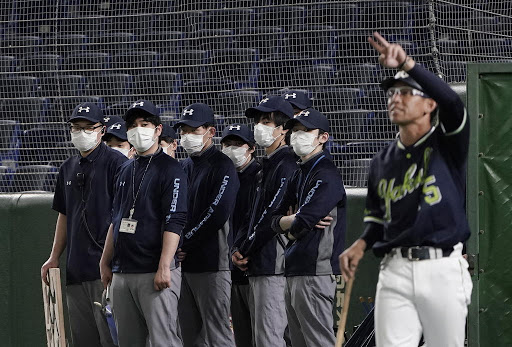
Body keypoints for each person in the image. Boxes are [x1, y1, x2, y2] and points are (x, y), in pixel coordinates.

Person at [339, 32, 472, 347]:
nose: (395, 99)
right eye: (392, 93)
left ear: (429, 104)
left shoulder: (447, 142)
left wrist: (408, 64)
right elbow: (375, 217)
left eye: (405, 93)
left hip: (442, 266)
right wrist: (360, 244)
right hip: (394, 267)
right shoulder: (382, 160)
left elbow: (453, 101)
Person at [99, 99, 188, 347]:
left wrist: (164, 265)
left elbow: (175, 220)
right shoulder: (125, 170)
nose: (139, 129)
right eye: (133, 125)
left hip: (154, 271)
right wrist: (105, 261)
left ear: (158, 130)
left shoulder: (172, 170)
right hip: (123, 271)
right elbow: (115, 219)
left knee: (163, 341)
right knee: (127, 341)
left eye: (145, 123)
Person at [41, 102, 127, 347]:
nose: (82, 133)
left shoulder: (116, 163)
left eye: (89, 127)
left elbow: (121, 214)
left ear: (102, 130)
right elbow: (64, 214)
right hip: (76, 269)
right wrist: (54, 256)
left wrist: (113, 259)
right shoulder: (67, 168)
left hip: (106, 268)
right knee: (83, 339)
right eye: (77, 127)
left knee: (111, 337)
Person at [271, 108, 346, 347]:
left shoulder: (326, 172)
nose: (297, 135)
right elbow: (273, 220)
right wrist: (291, 220)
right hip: (295, 268)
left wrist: (292, 221)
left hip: (315, 270)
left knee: (318, 342)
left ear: (323, 137)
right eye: (295, 130)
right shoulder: (299, 172)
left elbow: (303, 220)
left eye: (305, 130)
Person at [232, 95, 297, 347]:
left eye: (268, 121)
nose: (261, 126)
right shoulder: (267, 165)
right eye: (259, 120)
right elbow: (252, 213)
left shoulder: (288, 163)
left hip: (274, 263)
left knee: (270, 339)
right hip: (257, 263)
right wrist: (237, 247)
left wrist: (245, 248)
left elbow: (272, 213)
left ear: (284, 129)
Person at [174, 103, 239, 347]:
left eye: (193, 130)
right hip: (183, 264)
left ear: (211, 132)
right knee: (189, 335)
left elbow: (217, 212)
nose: (186, 136)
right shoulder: (182, 167)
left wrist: (185, 241)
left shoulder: (223, 165)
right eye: (183, 131)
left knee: (217, 334)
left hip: (213, 264)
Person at [220, 123, 261, 347]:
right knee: (242, 335)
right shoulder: (223, 177)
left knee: (266, 333)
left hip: (255, 266)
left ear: (251, 148)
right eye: (227, 144)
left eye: (238, 144)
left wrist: (241, 250)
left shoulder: (260, 176)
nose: (231, 149)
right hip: (230, 269)